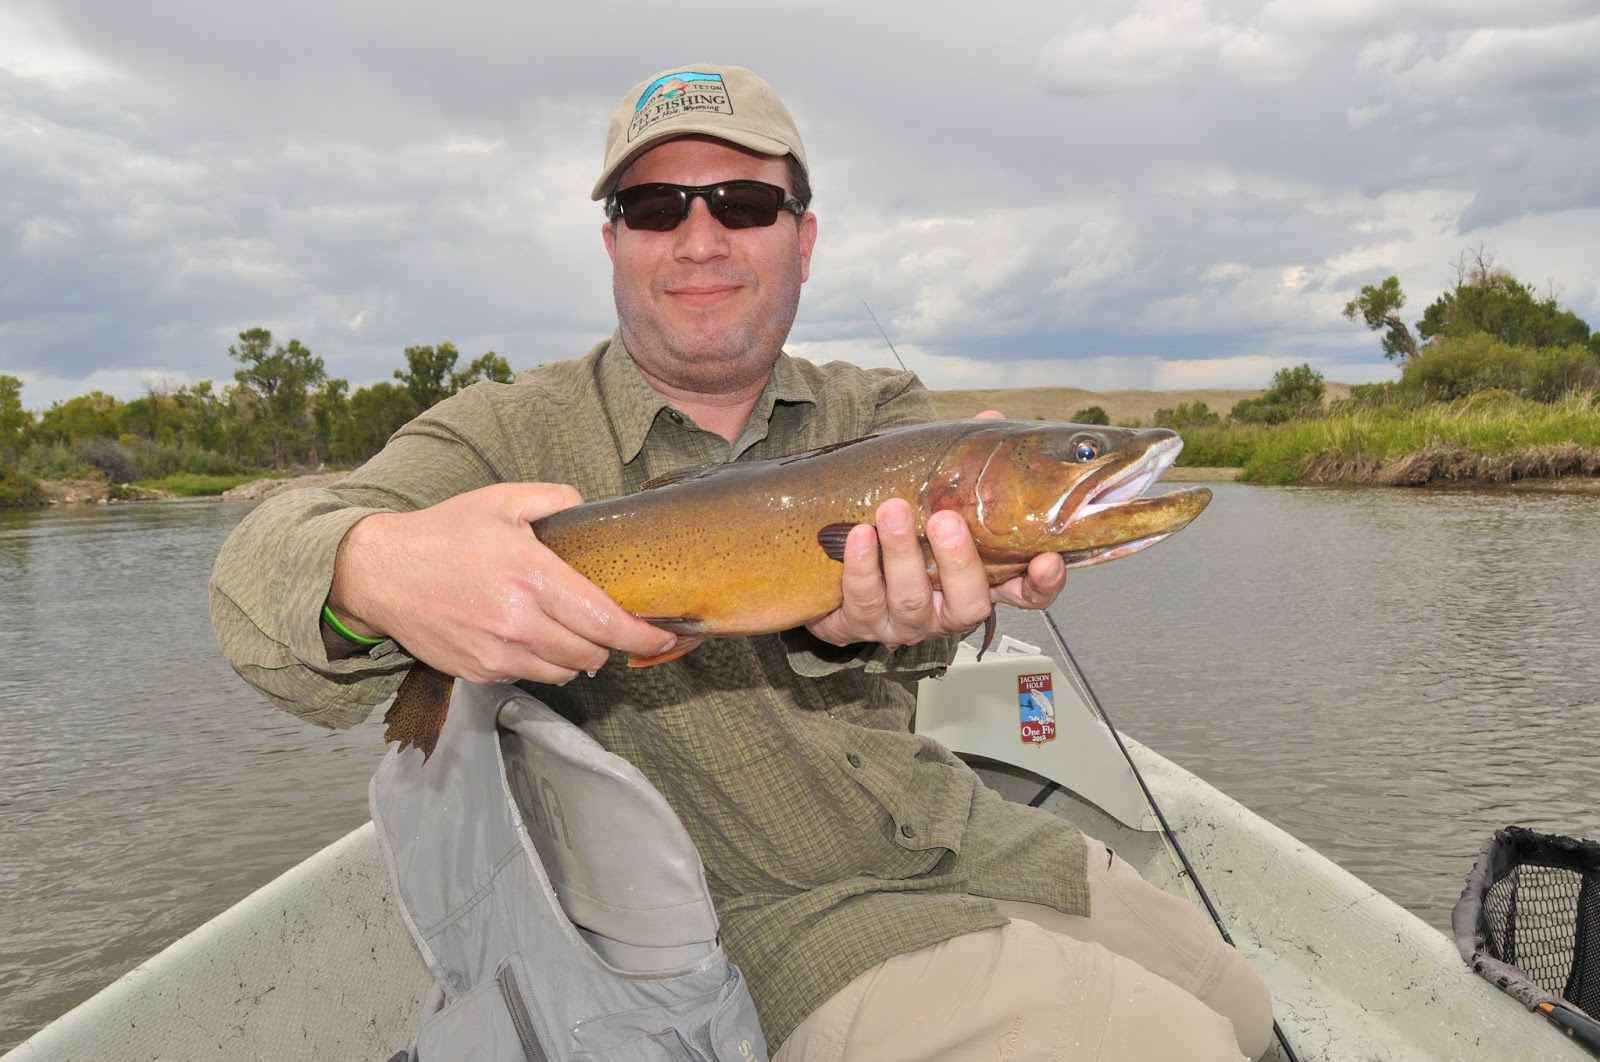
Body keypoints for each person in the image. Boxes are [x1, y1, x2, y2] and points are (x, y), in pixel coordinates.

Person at [210, 64, 1273, 1061]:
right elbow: (258, 585)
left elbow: (904, 652)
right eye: (655, 209)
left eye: (743, 205)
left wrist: (879, 621)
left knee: (1246, 1008)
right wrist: (373, 570)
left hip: (953, 835)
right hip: (761, 919)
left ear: (802, 241)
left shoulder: (881, 414)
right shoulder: (501, 438)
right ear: (613, 243)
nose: (700, 238)